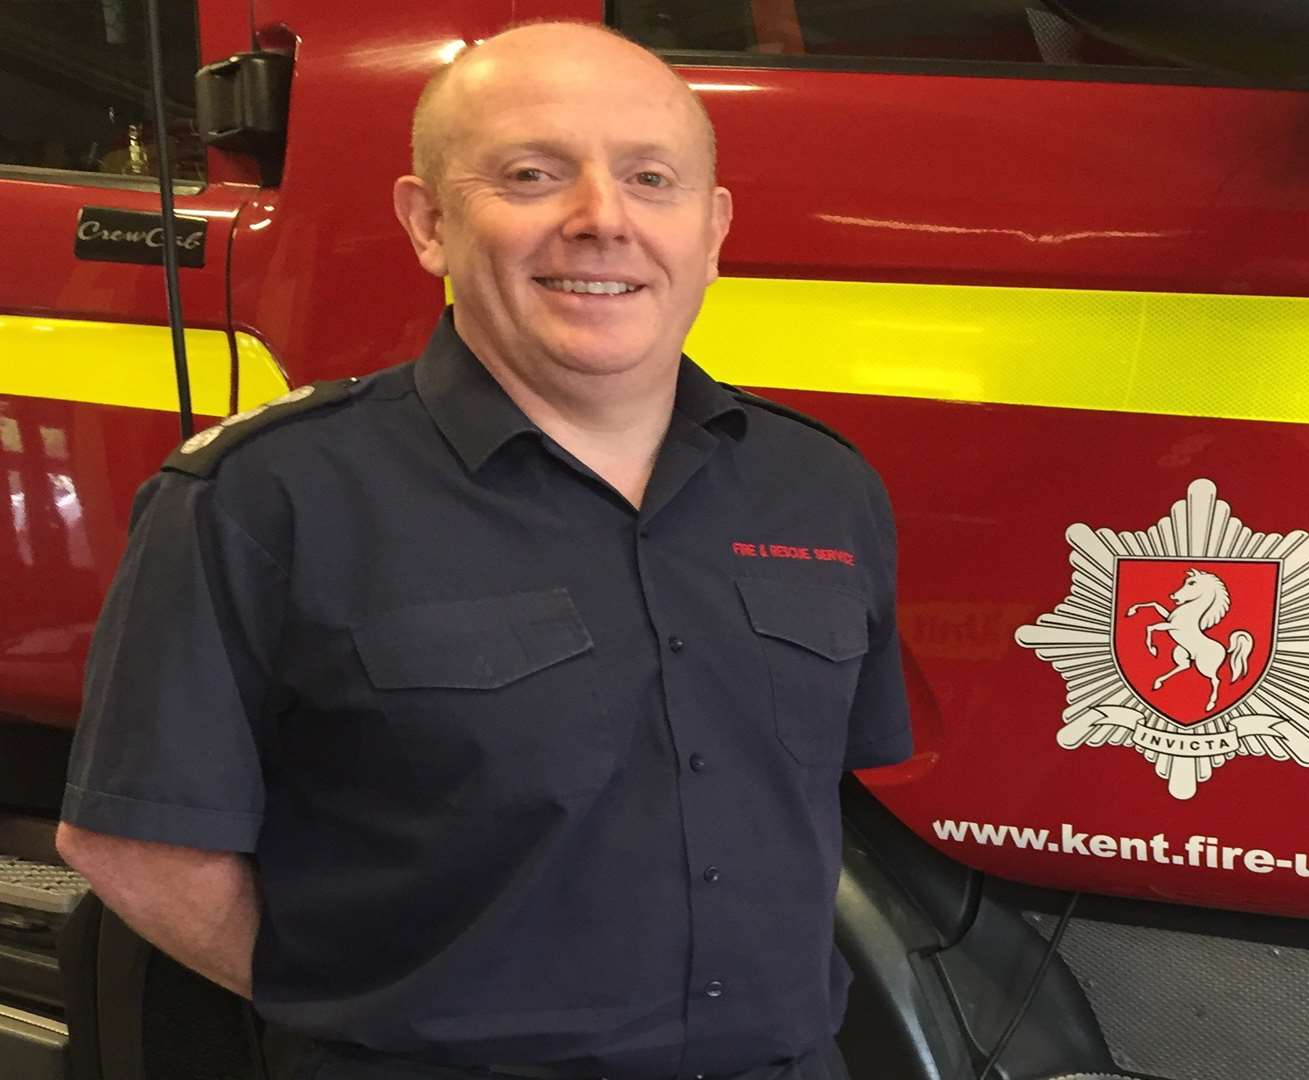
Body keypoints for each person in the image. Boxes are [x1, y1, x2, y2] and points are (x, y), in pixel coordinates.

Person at [55, 21, 910, 1080]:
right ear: (428, 222)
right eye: (532, 175)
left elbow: (808, 801)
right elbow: (135, 845)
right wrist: (387, 1014)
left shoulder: (823, 488)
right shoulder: (263, 498)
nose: (603, 220)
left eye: (652, 179)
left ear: (712, 228)